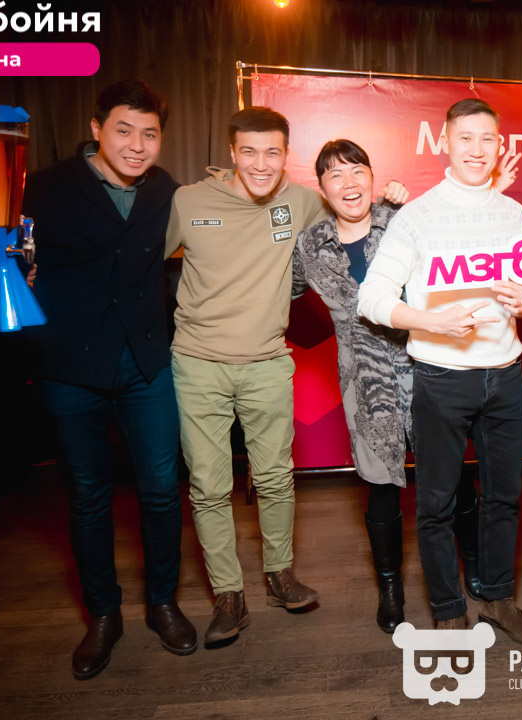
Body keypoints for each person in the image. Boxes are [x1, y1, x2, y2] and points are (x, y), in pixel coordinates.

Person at [0, 80, 197, 679]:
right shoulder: (38, 186)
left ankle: (163, 602)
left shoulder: (167, 192)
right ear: (96, 129)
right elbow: (9, 268)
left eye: (150, 134)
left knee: (161, 490)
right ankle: (102, 615)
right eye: (124, 130)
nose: (137, 145)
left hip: (146, 363)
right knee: (89, 498)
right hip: (69, 366)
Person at [166, 107, 384, 649]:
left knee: (275, 477)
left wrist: (393, 199)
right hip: (197, 363)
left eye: (272, 152)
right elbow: (134, 257)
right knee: (209, 486)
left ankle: (280, 575)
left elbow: (354, 210)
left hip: (267, 362)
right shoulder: (188, 201)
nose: (261, 164)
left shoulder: (303, 202)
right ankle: (228, 595)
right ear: (232, 153)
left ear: (286, 155)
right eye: (249, 152)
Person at [292, 139, 508, 633]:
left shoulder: (404, 220)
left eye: (357, 171)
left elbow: (456, 264)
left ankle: (473, 562)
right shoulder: (309, 245)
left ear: (373, 177)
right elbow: (283, 290)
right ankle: (390, 587)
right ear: (322, 188)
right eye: (335, 175)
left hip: (424, 363)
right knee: (381, 484)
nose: (349, 183)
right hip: (364, 380)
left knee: (451, 475)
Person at [356, 99, 522, 647]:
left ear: (499, 146)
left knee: (504, 497)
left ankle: (497, 599)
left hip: (505, 375)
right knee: (437, 504)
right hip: (441, 378)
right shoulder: (418, 216)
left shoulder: (514, 214)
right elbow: (371, 297)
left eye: (487, 139)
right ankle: (447, 609)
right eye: (466, 138)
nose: (477, 149)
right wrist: (430, 321)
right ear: (445, 142)